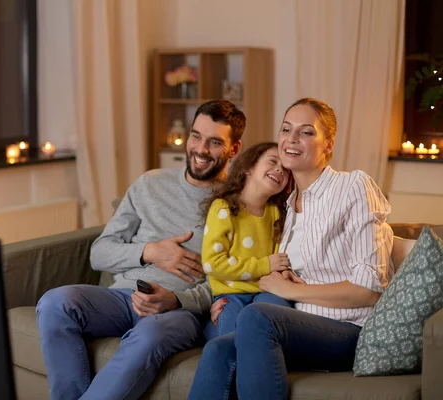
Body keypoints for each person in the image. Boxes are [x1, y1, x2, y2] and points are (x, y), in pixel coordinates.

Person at [36, 100, 245, 400]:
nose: (200, 149)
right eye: (196, 136)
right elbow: (100, 252)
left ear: (234, 149)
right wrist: (150, 251)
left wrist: (175, 299)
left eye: (214, 142)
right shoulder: (150, 183)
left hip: (177, 313)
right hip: (122, 297)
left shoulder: (236, 205)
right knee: (55, 303)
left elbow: (229, 281)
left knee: (151, 334)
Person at [187, 98, 395, 400]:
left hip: (348, 330)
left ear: (328, 144)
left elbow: (369, 288)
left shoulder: (353, 187)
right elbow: (241, 265)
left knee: (257, 318)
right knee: (220, 347)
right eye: (286, 129)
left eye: (307, 132)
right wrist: (220, 299)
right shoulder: (284, 208)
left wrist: (290, 291)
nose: (292, 139)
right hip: (293, 327)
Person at [199, 142, 293, 343]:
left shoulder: (277, 213)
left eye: (286, 169)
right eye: (273, 161)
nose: (280, 169)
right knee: (230, 339)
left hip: (266, 292)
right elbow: (212, 263)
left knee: (280, 322)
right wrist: (265, 265)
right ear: (248, 168)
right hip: (231, 295)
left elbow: (281, 260)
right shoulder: (223, 208)